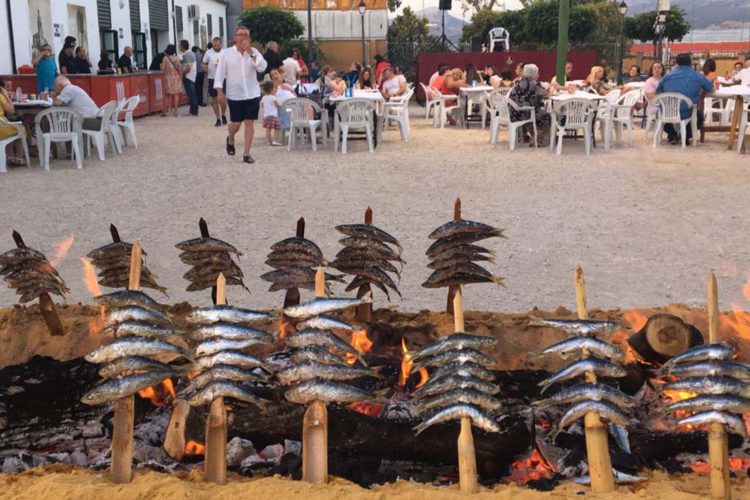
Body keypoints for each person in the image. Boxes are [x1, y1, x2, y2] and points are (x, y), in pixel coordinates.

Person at [214, 25, 268, 164]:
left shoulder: (253, 52)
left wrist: (250, 51)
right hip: (235, 94)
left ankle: (246, 153)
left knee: (249, 123)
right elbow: (219, 74)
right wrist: (219, 92)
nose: (243, 37)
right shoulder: (226, 53)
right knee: (236, 124)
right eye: (241, 34)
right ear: (235, 37)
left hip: (252, 93)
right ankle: (231, 137)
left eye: (246, 35)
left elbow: (262, 67)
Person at [656, 53, 714, 145]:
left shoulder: (667, 76)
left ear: (676, 63)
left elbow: (658, 91)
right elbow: (711, 87)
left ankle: (672, 135)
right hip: (686, 111)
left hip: (668, 111)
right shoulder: (697, 76)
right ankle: (686, 136)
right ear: (690, 63)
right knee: (699, 117)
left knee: (662, 114)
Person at [508, 63, 550, 146]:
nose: (538, 75)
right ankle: (537, 137)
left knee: (536, 113)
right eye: (537, 73)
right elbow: (546, 94)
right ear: (533, 74)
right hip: (524, 113)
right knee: (548, 116)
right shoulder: (533, 84)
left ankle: (534, 136)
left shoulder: (519, 81)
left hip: (513, 111)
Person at [203, 36, 227, 126]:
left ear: (221, 44)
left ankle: (224, 114)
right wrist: (207, 69)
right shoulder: (208, 53)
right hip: (212, 78)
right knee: (214, 98)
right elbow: (204, 64)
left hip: (222, 78)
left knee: (222, 98)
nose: (216, 46)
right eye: (215, 45)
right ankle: (218, 118)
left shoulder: (224, 53)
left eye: (218, 45)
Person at [0, 80, 25, 166]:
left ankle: (10, 157)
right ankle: (19, 158)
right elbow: (11, 110)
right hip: (2, 128)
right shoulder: (1, 97)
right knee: (21, 129)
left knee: (11, 130)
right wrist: (6, 96)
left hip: (3, 127)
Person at [269, 68, 296, 133]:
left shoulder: (287, 85)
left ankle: (310, 133)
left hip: (295, 107)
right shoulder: (272, 89)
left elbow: (296, 97)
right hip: (286, 109)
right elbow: (272, 99)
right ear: (272, 79)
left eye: (276, 73)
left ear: (280, 75)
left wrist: (290, 90)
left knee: (309, 107)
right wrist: (275, 86)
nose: (275, 76)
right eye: (273, 75)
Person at [160, 45, 182, 117]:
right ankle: (175, 111)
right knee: (176, 95)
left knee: (167, 95)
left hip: (168, 78)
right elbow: (179, 69)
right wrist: (181, 78)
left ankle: (164, 111)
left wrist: (161, 65)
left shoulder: (165, 58)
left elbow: (162, 69)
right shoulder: (177, 58)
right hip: (176, 78)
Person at [260, 80, 283, 146]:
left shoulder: (264, 97)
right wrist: (282, 105)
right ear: (272, 89)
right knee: (277, 128)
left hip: (266, 116)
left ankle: (269, 141)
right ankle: (275, 140)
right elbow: (278, 105)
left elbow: (262, 105)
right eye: (274, 88)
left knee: (268, 129)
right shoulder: (273, 97)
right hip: (273, 116)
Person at [179, 40, 198, 116]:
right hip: (190, 76)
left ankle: (193, 111)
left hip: (188, 77)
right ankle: (193, 110)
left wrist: (183, 73)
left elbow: (189, 67)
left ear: (183, 46)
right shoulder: (189, 54)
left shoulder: (188, 55)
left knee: (191, 94)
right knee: (191, 94)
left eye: (180, 45)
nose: (179, 47)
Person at [643, 61, 664, 126]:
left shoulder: (665, 80)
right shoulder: (649, 81)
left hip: (666, 104)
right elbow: (650, 96)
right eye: (654, 68)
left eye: (659, 67)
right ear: (652, 71)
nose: (657, 69)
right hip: (655, 106)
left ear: (662, 70)